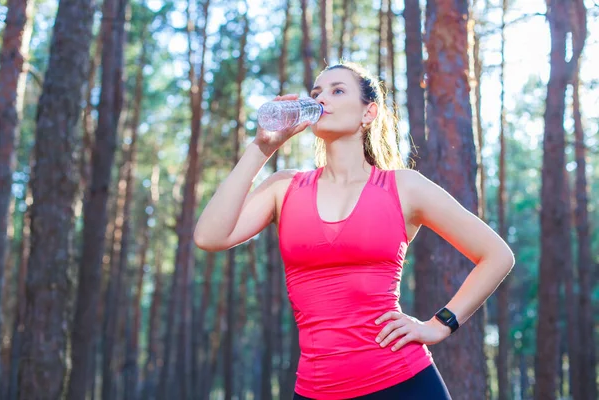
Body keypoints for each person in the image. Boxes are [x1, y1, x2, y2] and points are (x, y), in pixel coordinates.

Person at [194, 61, 514, 399]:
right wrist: (262, 147)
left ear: (368, 113)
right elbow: (209, 236)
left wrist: (438, 325)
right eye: (316, 93)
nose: (321, 100)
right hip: (317, 389)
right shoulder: (284, 187)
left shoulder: (403, 187)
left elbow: (497, 256)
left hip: (402, 381)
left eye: (337, 91)